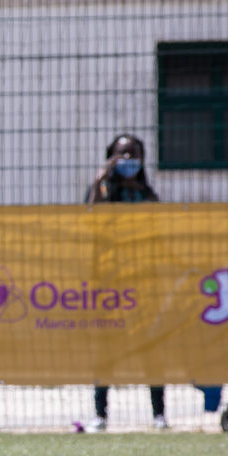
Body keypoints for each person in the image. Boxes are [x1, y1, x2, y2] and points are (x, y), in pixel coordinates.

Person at [83, 133, 168, 432]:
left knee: (151, 346)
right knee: (106, 348)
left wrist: (142, 191)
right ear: (111, 157)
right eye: (122, 154)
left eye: (133, 154)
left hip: (143, 281)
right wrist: (98, 183)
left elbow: (159, 226)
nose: (128, 160)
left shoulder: (146, 192)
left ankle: (159, 414)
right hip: (109, 282)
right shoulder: (103, 190)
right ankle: (100, 414)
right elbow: (90, 222)